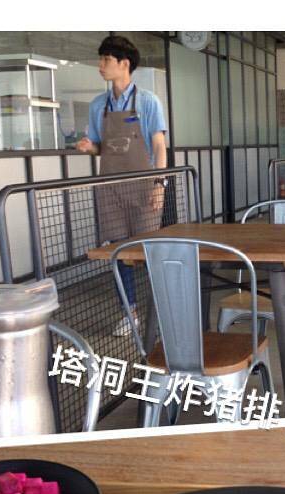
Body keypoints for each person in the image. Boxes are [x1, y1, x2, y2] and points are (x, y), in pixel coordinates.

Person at [76, 36, 168, 336]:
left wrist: (159, 184)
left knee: (149, 251)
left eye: (106, 59)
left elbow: (159, 146)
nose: (100, 65)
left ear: (124, 64)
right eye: (101, 59)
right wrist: (88, 147)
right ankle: (129, 313)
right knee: (118, 252)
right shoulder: (98, 105)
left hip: (144, 187)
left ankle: (161, 310)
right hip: (110, 189)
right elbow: (100, 148)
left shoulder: (148, 101)